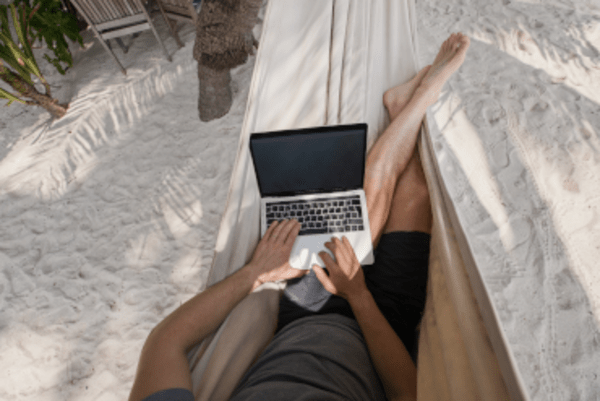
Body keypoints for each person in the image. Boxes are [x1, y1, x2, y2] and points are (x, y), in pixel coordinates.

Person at [128, 32, 470, 401]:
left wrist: (254, 273)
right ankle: (406, 107)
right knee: (415, 192)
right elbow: (406, 392)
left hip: (308, 311)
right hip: (383, 327)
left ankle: (413, 104)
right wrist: (358, 296)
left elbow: (166, 342)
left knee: (358, 213)